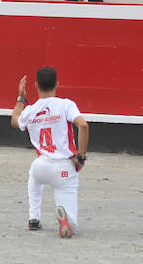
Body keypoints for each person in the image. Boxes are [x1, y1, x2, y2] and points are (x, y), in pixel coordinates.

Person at [10, 66, 89, 238]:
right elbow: (83, 125)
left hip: (41, 165)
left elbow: (15, 120)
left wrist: (21, 97)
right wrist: (81, 158)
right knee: (72, 225)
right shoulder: (65, 104)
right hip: (64, 168)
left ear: (36, 85)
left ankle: (34, 218)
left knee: (34, 178)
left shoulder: (30, 110)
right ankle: (66, 220)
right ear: (57, 84)